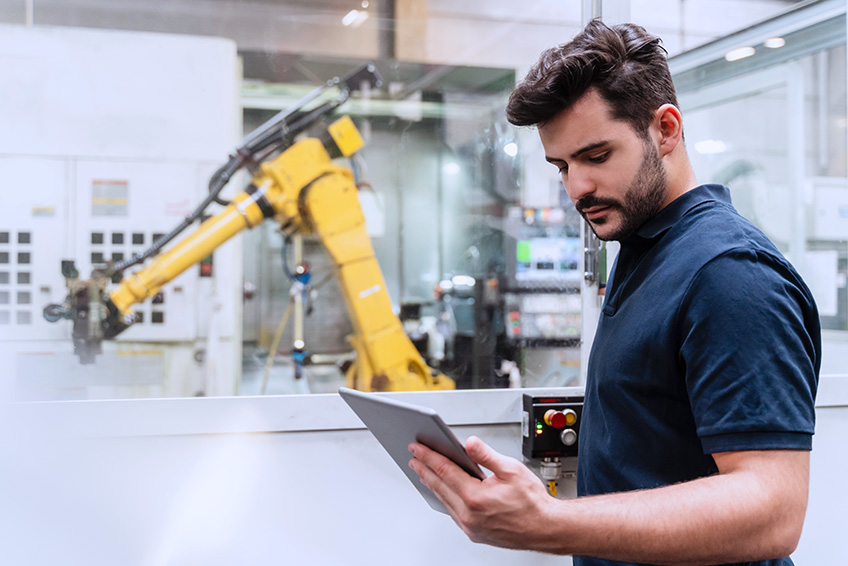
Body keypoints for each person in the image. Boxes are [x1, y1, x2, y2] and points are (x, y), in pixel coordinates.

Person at [408, 19, 820, 566]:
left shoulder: (729, 275)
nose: (576, 188)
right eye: (562, 166)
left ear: (666, 130)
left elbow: (773, 510)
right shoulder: (645, 245)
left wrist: (550, 523)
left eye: (596, 156)